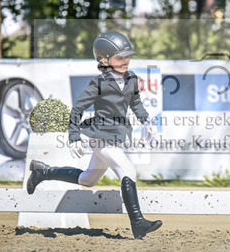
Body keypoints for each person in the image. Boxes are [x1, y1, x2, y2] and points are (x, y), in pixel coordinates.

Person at [26, 31, 162, 239]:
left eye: (128, 56)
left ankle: (42, 172)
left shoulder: (132, 78)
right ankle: (138, 223)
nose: (126, 60)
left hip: (115, 138)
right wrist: (74, 137)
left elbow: (135, 103)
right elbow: (77, 110)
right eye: (120, 57)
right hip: (100, 139)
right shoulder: (98, 84)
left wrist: (147, 121)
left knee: (88, 179)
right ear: (104, 60)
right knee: (127, 171)